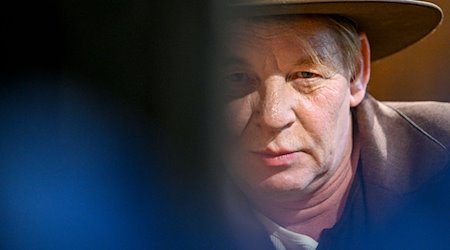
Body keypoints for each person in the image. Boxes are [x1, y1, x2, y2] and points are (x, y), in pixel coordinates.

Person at [213, 0, 450, 249]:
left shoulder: (443, 161)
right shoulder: (174, 198)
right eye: (236, 78)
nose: (273, 116)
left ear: (356, 72)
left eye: (306, 75)